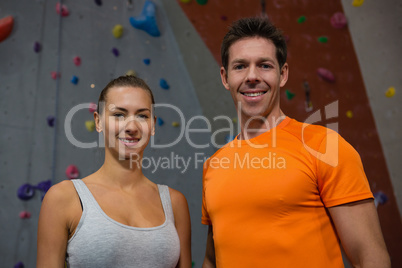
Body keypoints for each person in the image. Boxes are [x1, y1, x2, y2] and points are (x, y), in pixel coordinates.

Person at [201, 17, 390, 268]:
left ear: (283, 74)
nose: (252, 76)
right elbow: (212, 261)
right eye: (240, 66)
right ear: (225, 78)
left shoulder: (324, 146)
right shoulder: (213, 165)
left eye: (265, 65)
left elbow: (371, 257)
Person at [37, 75, 192, 267]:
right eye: (119, 114)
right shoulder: (64, 198)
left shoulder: (175, 203)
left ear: (153, 125)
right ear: (98, 121)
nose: (132, 127)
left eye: (142, 116)